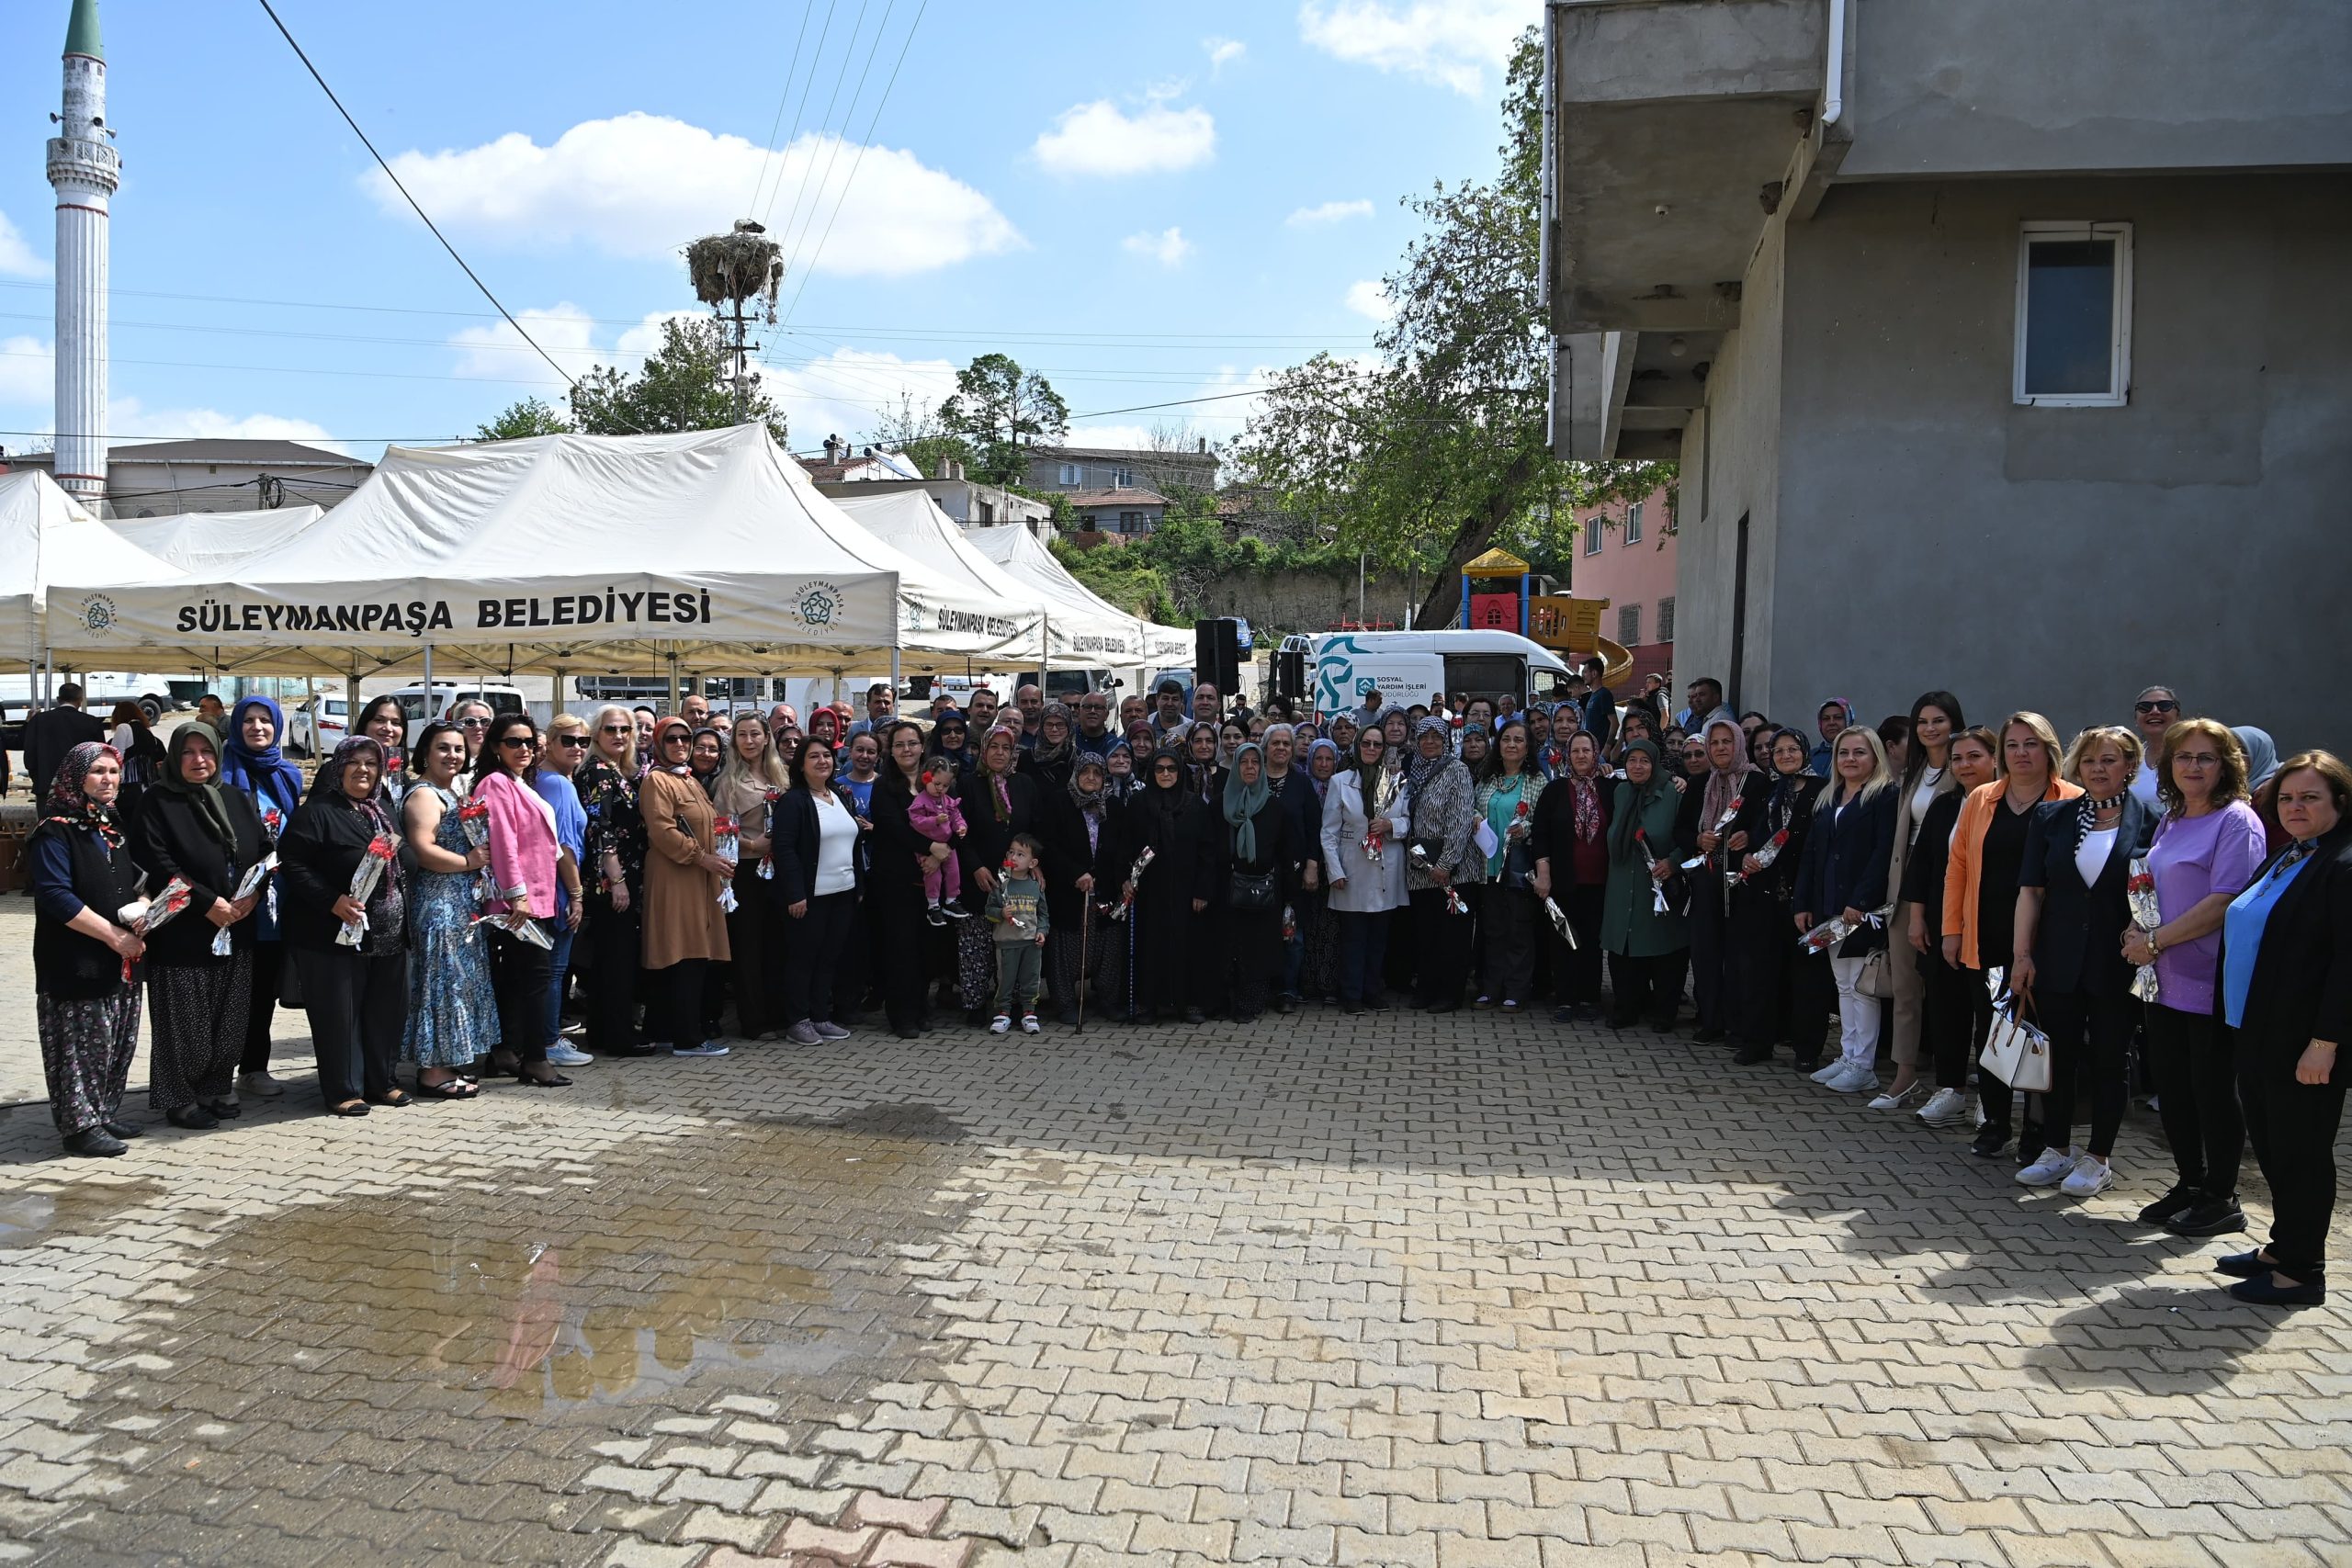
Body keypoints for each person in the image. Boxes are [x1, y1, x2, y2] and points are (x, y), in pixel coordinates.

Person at [2216, 751, 2351, 1307]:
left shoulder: (2343, 865)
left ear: (2340, 803)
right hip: (2260, 1030)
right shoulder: (2290, 855)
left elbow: (2348, 964)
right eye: (2288, 798)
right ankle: (2282, 1248)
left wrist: (2324, 1045)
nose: (2296, 807)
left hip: (2305, 1042)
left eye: (2311, 797)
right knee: (2272, 1145)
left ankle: (2301, 1273)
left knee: (2302, 1153)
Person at [2127, 719, 2267, 1234]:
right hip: (2161, 977)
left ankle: (2221, 1197)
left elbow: (2225, 902)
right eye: (2184, 757)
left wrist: (2156, 940)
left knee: (2212, 1091)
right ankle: (2189, 1182)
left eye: (2206, 758)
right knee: (2174, 1088)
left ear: (2226, 765)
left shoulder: (2238, 821)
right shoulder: (2173, 817)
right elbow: (2154, 884)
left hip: (2209, 979)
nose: (2193, 766)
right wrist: (2135, 929)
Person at [2010, 726, 2157, 1195]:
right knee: (2058, 1059)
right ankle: (2056, 1149)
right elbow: (2031, 892)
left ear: (2130, 766)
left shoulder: (2154, 821)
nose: (2098, 769)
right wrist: (2022, 955)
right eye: (2090, 760)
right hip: (2057, 960)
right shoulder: (2052, 817)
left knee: (2111, 1060)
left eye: (2110, 760)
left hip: (2118, 963)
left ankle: (2098, 1157)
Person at [1942, 713, 2083, 1162]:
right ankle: (1996, 1124)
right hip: (1984, 934)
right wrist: (1951, 929)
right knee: (1993, 1033)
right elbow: (1958, 867)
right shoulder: (1982, 798)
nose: (2021, 753)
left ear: (2049, 750)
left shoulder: (2073, 800)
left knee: (2041, 1037)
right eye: (2013, 745)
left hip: (2048, 940)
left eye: (2032, 744)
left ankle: (2036, 1132)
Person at [135, 721, 266, 1130]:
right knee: (184, 1023)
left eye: (206, 751)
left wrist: (254, 894)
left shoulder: (235, 798)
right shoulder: (157, 801)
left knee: (229, 1018)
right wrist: (207, 904)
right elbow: (158, 864)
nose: (198, 760)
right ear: (175, 757)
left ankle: (215, 1086)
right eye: (189, 752)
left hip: (236, 926)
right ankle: (178, 1096)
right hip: (183, 932)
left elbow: (264, 850)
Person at [278, 738, 407, 1115]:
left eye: (372, 763)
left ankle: (381, 1082)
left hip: (387, 933)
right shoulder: (318, 811)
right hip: (330, 933)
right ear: (338, 767)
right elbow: (292, 863)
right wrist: (332, 900)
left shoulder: (383, 809)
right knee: (340, 1013)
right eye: (354, 762)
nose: (363, 770)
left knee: (386, 1010)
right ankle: (343, 1090)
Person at [29, 742, 146, 1156]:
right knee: (80, 1045)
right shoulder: (54, 831)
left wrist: (147, 904)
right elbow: (56, 896)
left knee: (116, 1039)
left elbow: (134, 882)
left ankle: (103, 1112)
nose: (108, 779)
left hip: (121, 959)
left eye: (113, 771)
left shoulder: (111, 829)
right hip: (77, 959)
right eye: (98, 771)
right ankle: (80, 1127)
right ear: (76, 778)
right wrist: (114, 937)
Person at [1899, 727, 2002, 1129]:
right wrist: (1917, 917)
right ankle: (1951, 1089)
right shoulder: (1944, 807)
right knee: (1946, 1010)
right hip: (1944, 924)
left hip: (1991, 927)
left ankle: (1990, 1099)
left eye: (1974, 756)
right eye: (1957, 759)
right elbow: (1921, 866)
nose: (1964, 765)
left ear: (1994, 759)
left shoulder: (2007, 806)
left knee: (1989, 1014)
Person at [1794, 727, 1900, 1095]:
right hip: (1829, 906)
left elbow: (1883, 853)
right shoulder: (1829, 797)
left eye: (1859, 752)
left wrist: (1861, 900)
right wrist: (1803, 903)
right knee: (1842, 985)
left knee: (1861, 987)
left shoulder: (1886, 796)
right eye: (1844, 753)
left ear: (1875, 757)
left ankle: (1863, 1065)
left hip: (1860, 909)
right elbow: (1811, 853)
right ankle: (1848, 1054)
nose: (1851, 759)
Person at [399, 720, 494, 1099]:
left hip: (460, 901)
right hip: (438, 901)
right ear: (425, 752)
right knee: (440, 982)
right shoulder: (424, 795)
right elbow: (423, 849)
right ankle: (432, 1071)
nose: (452, 755)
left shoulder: (451, 791)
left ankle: (444, 1060)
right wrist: (470, 861)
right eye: (443, 748)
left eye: (458, 749)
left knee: (455, 980)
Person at [1880, 693, 1965, 1108]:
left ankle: (1956, 1083)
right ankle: (1905, 1073)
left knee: (1951, 993)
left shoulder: (1965, 768)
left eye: (1939, 720)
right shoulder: (1914, 771)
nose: (1930, 729)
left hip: (1949, 888)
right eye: (1923, 722)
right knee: (1905, 987)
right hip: (1906, 888)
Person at [472, 714, 566, 1086]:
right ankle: (535, 1057)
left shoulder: (519, 782)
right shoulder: (495, 782)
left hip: (535, 896)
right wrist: (517, 896)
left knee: (516, 978)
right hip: (517, 902)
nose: (524, 749)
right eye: (514, 742)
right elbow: (503, 844)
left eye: (529, 742)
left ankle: (505, 1051)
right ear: (495, 746)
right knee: (535, 978)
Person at [219, 694, 305, 1101]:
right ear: (236, 727)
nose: (257, 728)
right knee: (230, 987)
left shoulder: (288, 775)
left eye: (265, 721)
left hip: (277, 898)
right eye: (249, 720)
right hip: (232, 899)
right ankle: (216, 1072)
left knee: (263, 988)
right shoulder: (221, 773)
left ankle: (253, 1067)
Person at [639, 718, 733, 1057]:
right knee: (682, 953)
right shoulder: (658, 781)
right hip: (675, 876)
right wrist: (702, 857)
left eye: (685, 738)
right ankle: (687, 1038)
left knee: (690, 953)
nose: (680, 744)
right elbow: (662, 831)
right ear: (660, 743)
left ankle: (666, 1030)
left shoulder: (688, 779)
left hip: (698, 877)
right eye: (672, 738)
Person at [1679, 717, 1769, 1045]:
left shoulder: (1758, 784)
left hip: (1742, 885)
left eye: (1726, 742)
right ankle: (1711, 1020)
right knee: (1705, 953)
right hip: (1706, 881)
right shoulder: (1701, 783)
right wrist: (1698, 839)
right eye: (1714, 743)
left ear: (1738, 744)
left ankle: (1739, 1024)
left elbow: (1768, 827)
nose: (1719, 748)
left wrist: (1750, 837)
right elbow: (1682, 829)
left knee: (1740, 956)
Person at [771, 735, 861, 1046]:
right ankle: (798, 1020)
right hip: (810, 896)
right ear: (801, 764)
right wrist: (796, 894)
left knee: (829, 958)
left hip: (843, 892)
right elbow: (784, 849)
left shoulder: (838, 794)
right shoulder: (793, 801)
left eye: (827, 755)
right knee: (803, 959)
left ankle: (821, 1016)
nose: (823, 761)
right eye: (814, 757)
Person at [1125, 748, 1220, 1022]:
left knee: (1189, 947)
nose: (1166, 774)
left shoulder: (1195, 806)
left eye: (1171, 769)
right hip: (1149, 891)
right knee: (1150, 945)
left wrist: (1203, 890)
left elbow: (1207, 851)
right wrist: (1125, 880)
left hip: (1186, 891)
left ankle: (1189, 1003)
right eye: (1159, 769)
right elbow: (1126, 845)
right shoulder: (1139, 804)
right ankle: (1149, 1004)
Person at [709, 712, 788, 1039]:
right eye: (742, 735)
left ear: (766, 737)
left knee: (776, 945)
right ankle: (753, 1021)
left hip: (781, 869)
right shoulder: (727, 782)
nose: (749, 741)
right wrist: (752, 843)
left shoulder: (782, 776)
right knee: (749, 948)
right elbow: (719, 829)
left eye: (755, 734)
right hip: (746, 869)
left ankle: (778, 1012)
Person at [1323, 728, 1411, 1014]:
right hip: (1354, 870)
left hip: (1387, 866)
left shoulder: (1397, 781)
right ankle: (1351, 995)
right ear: (1358, 746)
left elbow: (1408, 821)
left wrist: (1391, 826)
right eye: (1367, 743)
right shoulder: (1340, 782)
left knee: (1378, 939)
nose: (1371, 748)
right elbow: (1328, 832)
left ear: (1385, 748)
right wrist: (1334, 870)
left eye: (1377, 744)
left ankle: (1373, 991)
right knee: (1354, 939)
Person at [1600, 738, 1687, 1029]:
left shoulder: (1673, 792)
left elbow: (1687, 836)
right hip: (1622, 881)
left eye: (1645, 760)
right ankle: (1626, 1008)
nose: (1638, 766)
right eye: (1632, 760)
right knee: (1623, 948)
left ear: (1655, 763)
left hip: (1658, 883)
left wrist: (1673, 862)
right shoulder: (1621, 791)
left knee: (1662, 947)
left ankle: (1663, 1012)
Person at [578, 705, 649, 1058]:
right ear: (596, 734)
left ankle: (604, 1033)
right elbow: (601, 828)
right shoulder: (599, 772)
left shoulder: (617, 770)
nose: (618, 735)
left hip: (622, 877)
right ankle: (619, 1036)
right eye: (610, 729)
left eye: (625, 729)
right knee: (617, 960)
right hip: (611, 881)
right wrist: (616, 879)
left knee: (610, 960)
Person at [956, 728, 1041, 1022]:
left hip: (1016, 880)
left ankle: (1013, 1002)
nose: (1000, 753)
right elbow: (960, 833)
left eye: (1006, 747)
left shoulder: (1024, 784)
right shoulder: (967, 784)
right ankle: (976, 1004)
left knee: (1015, 942)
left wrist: (1034, 865)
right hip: (979, 877)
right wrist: (975, 867)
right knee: (977, 947)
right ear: (983, 748)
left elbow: (1034, 829)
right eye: (994, 746)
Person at [867, 721, 943, 1039]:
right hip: (896, 880)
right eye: (900, 745)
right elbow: (893, 827)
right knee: (900, 950)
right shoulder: (884, 786)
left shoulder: (936, 783)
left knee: (926, 949)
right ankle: (901, 1015)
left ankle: (921, 1007)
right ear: (891, 750)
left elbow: (951, 819)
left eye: (912, 743)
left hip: (931, 880)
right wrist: (930, 848)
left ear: (922, 746)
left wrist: (940, 853)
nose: (907, 750)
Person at [1532, 731, 1612, 1023]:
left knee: (1592, 942)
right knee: (1563, 939)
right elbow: (1540, 834)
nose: (1581, 756)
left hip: (1601, 882)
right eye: (1575, 751)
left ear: (1596, 753)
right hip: (1563, 881)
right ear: (1568, 755)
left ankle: (1590, 997)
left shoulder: (1609, 788)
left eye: (1586, 750)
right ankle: (1565, 998)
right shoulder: (1555, 790)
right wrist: (1543, 874)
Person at [1216, 742, 1294, 1023]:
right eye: (1244, 762)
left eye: (1255, 762)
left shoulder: (1274, 808)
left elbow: (1286, 851)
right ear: (1235, 767)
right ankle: (1226, 1000)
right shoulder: (1220, 804)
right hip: (1227, 889)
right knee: (1228, 944)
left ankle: (1250, 1003)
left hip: (1264, 892)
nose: (1249, 767)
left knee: (1258, 949)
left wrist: (1286, 894)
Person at [1404, 717, 1477, 1011]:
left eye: (1437, 736)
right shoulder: (1414, 771)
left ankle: (1449, 994)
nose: (1430, 741)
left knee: (1452, 936)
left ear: (1446, 740)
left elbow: (1460, 820)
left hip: (1452, 872)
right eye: (1425, 736)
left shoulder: (1456, 770)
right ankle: (1427, 990)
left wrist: (1446, 864)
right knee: (1427, 934)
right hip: (1421, 868)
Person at [1472, 720, 1545, 1011]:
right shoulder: (1487, 778)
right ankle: (1490, 988)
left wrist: (1524, 827)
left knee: (1519, 931)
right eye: (1506, 739)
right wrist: (1476, 816)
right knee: (1492, 930)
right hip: (1487, 867)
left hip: (1518, 867)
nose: (1511, 745)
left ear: (1528, 748)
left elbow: (1542, 820)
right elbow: (1475, 806)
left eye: (1518, 740)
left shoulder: (1537, 780)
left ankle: (1516, 990)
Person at [532, 714, 593, 1067]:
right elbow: (564, 847)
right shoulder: (558, 785)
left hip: (548, 886)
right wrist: (576, 893)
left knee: (549, 970)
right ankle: (550, 1040)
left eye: (583, 742)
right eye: (568, 741)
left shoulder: (544, 779)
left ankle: (546, 1036)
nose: (577, 748)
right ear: (550, 743)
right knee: (555, 970)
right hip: (557, 888)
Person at [1042, 753, 1120, 1024]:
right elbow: (1049, 845)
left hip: (1105, 889)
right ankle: (1064, 1003)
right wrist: (1075, 873)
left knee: (1106, 947)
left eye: (1097, 773)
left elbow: (1120, 847)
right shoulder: (1059, 802)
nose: (1090, 777)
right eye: (1085, 771)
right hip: (1069, 889)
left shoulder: (1113, 805)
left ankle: (1107, 1000)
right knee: (1065, 949)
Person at [986, 834, 1052, 1033]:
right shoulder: (1000, 885)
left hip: (1031, 944)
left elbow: (1043, 914)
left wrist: (1042, 931)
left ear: (1032, 862)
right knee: (1005, 979)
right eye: (1011, 852)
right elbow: (989, 911)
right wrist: (1000, 913)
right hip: (1007, 943)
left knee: (1031, 979)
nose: (1014, 857)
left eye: (1021, 854)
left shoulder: (1035, 887)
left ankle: (1029, 1012)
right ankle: (1003, 1012)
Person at [1296, 739, 1343, 1003]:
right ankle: (1305, 984)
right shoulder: (1303, 787)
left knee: (1330, 928)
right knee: (1305, 925)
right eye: (1318, 759)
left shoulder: (1344, 786)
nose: (1324, 765)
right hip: (1307, 864)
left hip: (1334, 867)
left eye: (1329, 759)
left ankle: (1328, 984)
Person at [25, 682, 107, 814]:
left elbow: (29, 755)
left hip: (46, 784)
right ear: (81, 700)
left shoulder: (39, 720)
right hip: (81, 787)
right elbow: (100, 758)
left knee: (48, 828)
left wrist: (37, 777)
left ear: (58, 699)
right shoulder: (92, 722)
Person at [910, 760, 971, 926]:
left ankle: (952, 900)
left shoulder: (947, 800)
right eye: (936, 784)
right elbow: (915, 821)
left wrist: (961, 827)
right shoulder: (921, 800)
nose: (940, 789)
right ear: (926, 778)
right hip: (928, 848)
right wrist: (934, 820)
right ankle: (933, 905)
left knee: (954, 872)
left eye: (944, 786)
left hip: (947, 846)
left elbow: (956, 816)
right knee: (933, 876)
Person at [103, 701, 164, 828]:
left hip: (128, 791)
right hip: (148, 789)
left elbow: (115, 760)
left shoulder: (124, 728)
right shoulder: (148, 734)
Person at [2128, 685, 2183, 809]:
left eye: (2164, 705)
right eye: (2144, 707)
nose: (2154, 711)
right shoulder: (2129, 761)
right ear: (2136, 718)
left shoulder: (2192, 757)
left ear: (2178, 716)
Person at [355, 696, 412, 814]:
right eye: (379, 720)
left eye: (396, 723)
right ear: (365, 726)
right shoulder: (340, 769)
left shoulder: (397, 771)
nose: (388, 728)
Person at [1025, 701, 1078, 791]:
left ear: (1069, 727)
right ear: (1041, 727)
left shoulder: (1078, 756)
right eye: (1049, 725)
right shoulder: (1027, 757)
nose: (1054, 730)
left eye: (1060, 725)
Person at [1578, 657, 1616, 755]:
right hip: (1591, 750)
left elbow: (1615, 723)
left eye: (1585, 672)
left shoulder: (1604, 694)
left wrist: (1607, 747)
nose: (1583, 676)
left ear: (1594, 673)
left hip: (1601, 751)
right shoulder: (1593, 695)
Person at [1809, 699, 1854, 778]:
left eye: (1838, 717)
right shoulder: (1809, 757)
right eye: (1826, 719)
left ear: (1848, 720)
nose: (1831, 723)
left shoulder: (1856, 755)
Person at [449, 699, 495, 767]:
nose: (478, 727)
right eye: (470, 722)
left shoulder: (501, 758)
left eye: (484, 721)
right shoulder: (450, 759)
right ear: (457, 725)